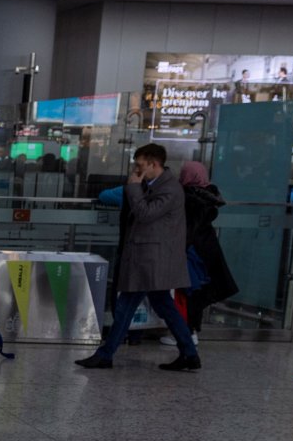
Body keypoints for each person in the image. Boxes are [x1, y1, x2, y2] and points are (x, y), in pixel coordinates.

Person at [76, 144, 200, 371]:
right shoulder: (154, 185)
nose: (136, 170)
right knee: (160, 305)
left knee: (127, 305)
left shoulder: (170, 189)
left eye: (140, 165)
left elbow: (145, 214)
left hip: (152, 259)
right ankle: (189, 352)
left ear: (153, 164)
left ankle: (106, 354)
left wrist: (132, 188)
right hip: (147, 257)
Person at [167, 161, 238, 348]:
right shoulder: (209, 197)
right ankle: (190, 330)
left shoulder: (188, 199)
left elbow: (186, 229)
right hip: (207, 250)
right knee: (196, 291)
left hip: (192, 251)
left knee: (189, 291)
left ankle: (187, 332)